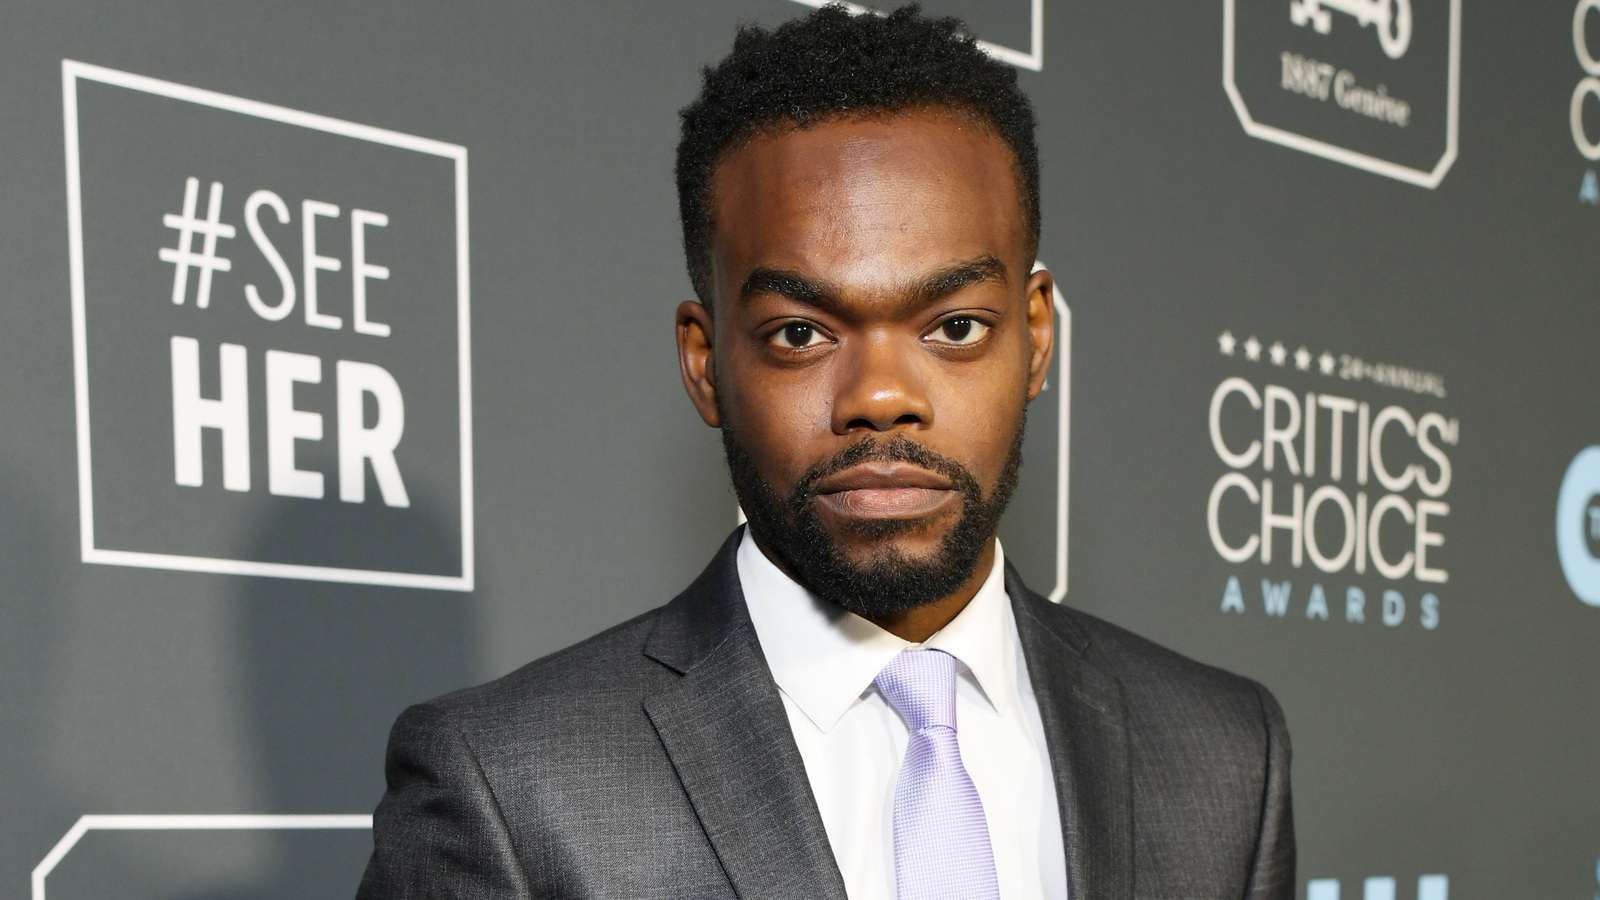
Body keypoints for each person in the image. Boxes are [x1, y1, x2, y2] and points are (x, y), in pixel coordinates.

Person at [358, 6, 1295, 899]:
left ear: (1038, 337)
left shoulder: (1223, 754)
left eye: (956, 325)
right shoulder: (510, 790)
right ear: (705, 361)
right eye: (801, 334)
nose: (882, 396)